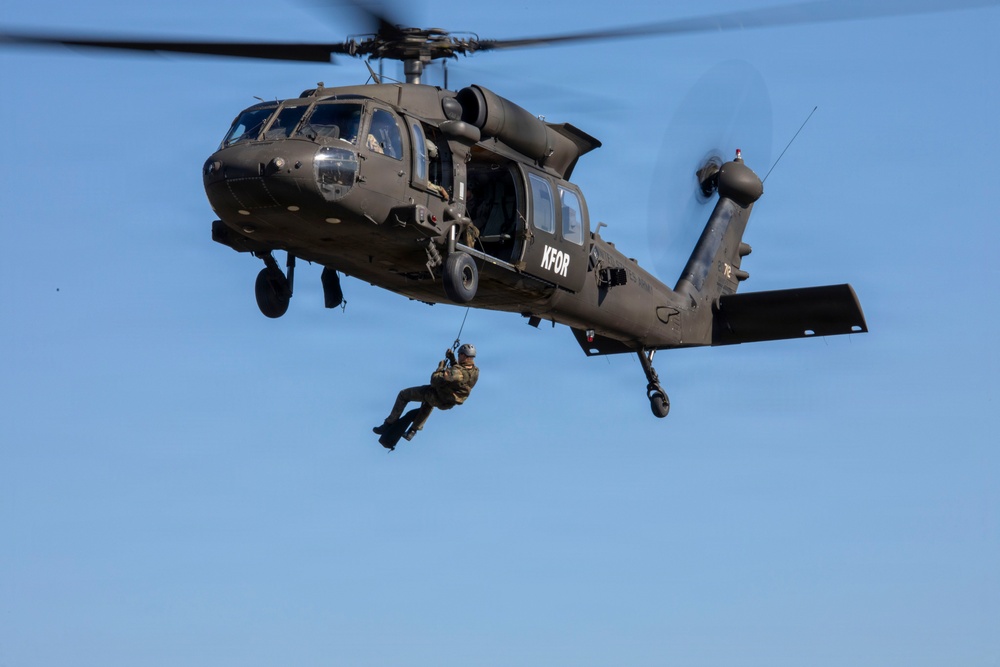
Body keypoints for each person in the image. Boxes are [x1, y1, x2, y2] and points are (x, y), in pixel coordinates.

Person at [373, 343, 479, 441]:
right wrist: (452, 359)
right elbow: (459, 377)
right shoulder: (474, 372)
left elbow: (435, 380)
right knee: (428, 403)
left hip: (438, 396)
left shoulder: (456, 373)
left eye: (459, 355)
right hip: (448, 401)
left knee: (403, 395)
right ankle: (412, 432)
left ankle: (388, 423)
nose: (459, 357)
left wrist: (440, 367)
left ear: (463, 355)